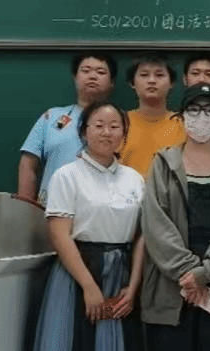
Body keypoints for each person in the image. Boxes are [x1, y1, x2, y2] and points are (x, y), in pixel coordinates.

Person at [140, 85, 210, 350]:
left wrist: (206, 272)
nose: (202, 117)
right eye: (194, 110)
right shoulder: (163, 163)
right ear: (181, 117)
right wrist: (189, 271)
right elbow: (156, 223)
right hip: (171, 282)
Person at [33, 101, 145, 351]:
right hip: (79, 273)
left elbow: (141, 237)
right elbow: (60, 235)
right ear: (84, 131)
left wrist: (133, 287)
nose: (107, 132)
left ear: (124, 134)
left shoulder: (135, 179)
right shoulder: (66, 176)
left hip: (122, 274)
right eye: (99, 125)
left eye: (114, 126)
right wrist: (88, 286)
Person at [17, 52, 117, 206]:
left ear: (112, 82)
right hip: (51, 209)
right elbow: (28, 165)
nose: (92, 76)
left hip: (103, 212)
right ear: (75, 77)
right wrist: (25, 209)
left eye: (101, 72)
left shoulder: (122, 123)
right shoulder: (51, 117)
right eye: (85, 71)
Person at [120, 53, 186, 178]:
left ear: (171, 83)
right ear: (132, 82)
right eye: (144, 75)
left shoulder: (183, 123)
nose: (152, 81)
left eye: (159, 75)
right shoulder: (119, 122)